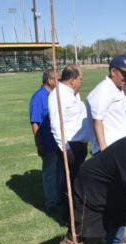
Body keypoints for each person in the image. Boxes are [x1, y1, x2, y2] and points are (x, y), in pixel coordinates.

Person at [87, 55, 126, 244]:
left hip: (122, 150)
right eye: (125, 74)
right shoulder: (103, 91)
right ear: (113, 71)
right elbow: (97, 121)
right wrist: (106, 152)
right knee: (117, 199)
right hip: (110, 154)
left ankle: (115, 235)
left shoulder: (120, 88)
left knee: (122, 197)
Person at [48, 64, 91, 218]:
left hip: (79, 145)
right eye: (80, 79)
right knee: (71, 182)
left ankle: (77, 212)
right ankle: (69, 216)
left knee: (77, 181)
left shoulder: (73, 93)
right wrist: (65, 148)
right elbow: (56, 124)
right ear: (72, 80)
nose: (81, 82)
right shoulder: (58, 96)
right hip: (70, 146)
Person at [30, 68, 62, 215]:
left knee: (60, 172)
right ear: (49, 80)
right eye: (57, 79)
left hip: (59, 142)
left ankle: (60, 198)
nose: (59, 81)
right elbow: (35, 122)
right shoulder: (38, 97)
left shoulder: (55, 95)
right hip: (47, 142)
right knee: (49, 174)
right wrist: (39, 143)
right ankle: (51, 203)